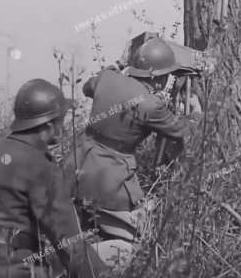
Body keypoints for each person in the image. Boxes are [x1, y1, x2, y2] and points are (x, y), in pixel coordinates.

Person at [0, 79, 107, 278]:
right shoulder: (41, 166)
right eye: (62, 119)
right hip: (3, 268)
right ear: (51, 124)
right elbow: (69, 243)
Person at [69, 37, 202, 268]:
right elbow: (180, 130)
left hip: (77, 163)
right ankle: (75, 259)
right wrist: (196, 114)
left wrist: (115, 68)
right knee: (134, 245)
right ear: (158, 77)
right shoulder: (151, 106)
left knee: (82, 223)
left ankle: (75, 249)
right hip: (111, 178)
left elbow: (88, 86)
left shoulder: (107, 78)